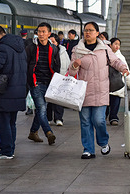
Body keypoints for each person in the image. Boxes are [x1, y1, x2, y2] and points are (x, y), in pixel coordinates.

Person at [68, 22, 129, 159]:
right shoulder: (77, 49)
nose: (87, 33)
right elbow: (71, 72)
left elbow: (115, 61)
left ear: (97, 33)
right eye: (85, 30)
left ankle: (103, 142)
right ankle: (88, 149)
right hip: (83, 91)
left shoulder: (105, 48)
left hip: (101, 90)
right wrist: (75, 65)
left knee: (99, 120)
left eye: (90, 30)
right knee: (85, 121)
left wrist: (123, 68)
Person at [0, 25, 27, 159]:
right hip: (17, 89)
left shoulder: (2, 47)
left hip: (4, 91)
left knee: (2, 122)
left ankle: (6, 151)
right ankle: (10, 149)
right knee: (11, 123)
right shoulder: (19, 47)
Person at [26, 22, 60, 145]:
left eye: (43, 32)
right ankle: (48, 133)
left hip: (49, 83)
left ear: (49, 34)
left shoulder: (54, 49)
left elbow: (57, 66)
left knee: (42, 110)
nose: (41, 34)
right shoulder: (31, 47)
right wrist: (29, 81)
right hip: (35, 82)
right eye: (39, 32)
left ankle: (33, 132)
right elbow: (27, 64)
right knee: (41, 108)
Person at [47, 33, 70, 126]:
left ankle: (58, 118)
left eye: (53, 42)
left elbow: (67, 63)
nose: (52, 43)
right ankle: (48, 118)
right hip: (48, 78)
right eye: (50, 42)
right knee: (48, 99)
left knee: (59, 99)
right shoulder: (46, 51)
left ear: (57, 42)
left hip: (60, 78)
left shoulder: (63, 51)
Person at [106, 38, 130, 126]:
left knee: (115, 101)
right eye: (115, 44)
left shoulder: (121, 57)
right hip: (107, 82)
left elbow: (126, 71)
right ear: (110, 45)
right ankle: (104, 116)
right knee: (106, 102)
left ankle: (113, 117)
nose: (117, 46)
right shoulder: (105, 55)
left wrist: (128, 82)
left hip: (117, 83)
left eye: (119, 45)